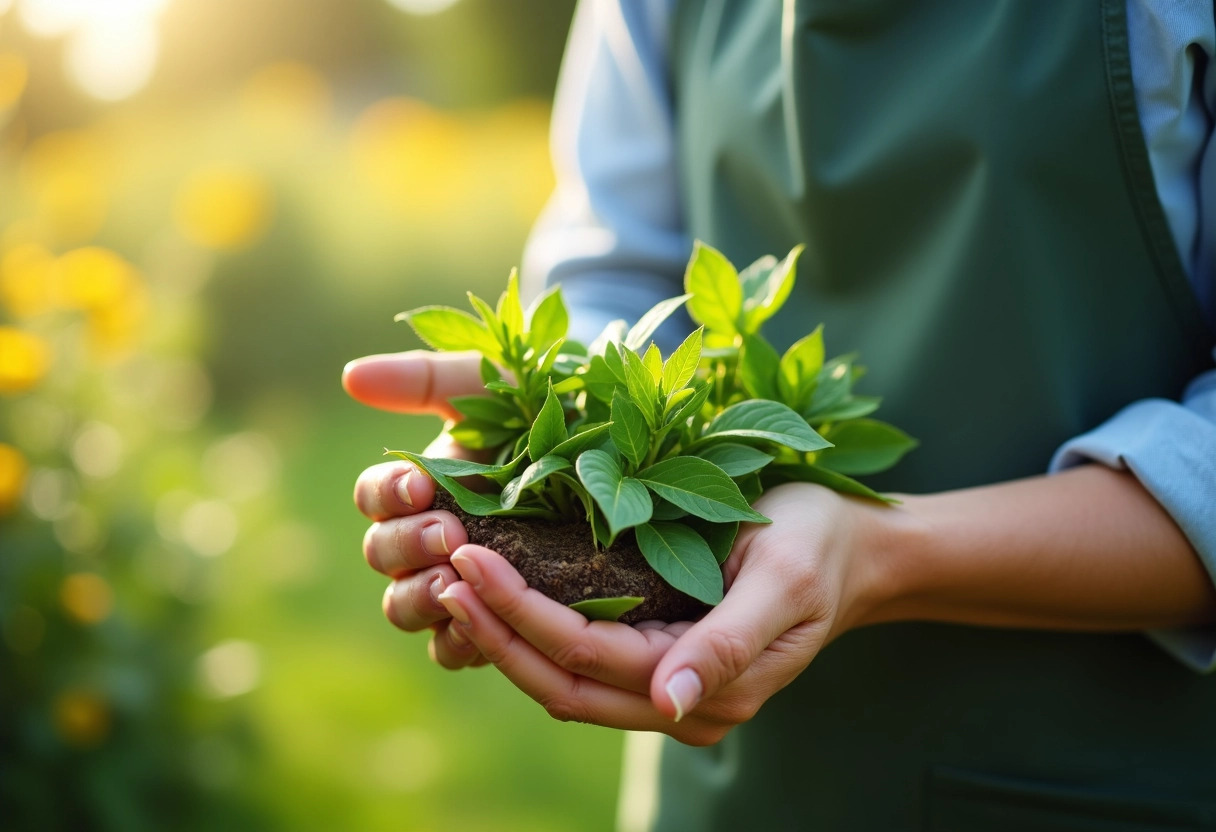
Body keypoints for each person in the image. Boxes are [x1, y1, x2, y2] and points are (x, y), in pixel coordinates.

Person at [344, 1, 1216, 828]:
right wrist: (543, 423)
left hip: (1102, 769)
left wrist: (879, 551)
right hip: (729, 789)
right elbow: (616, 273)